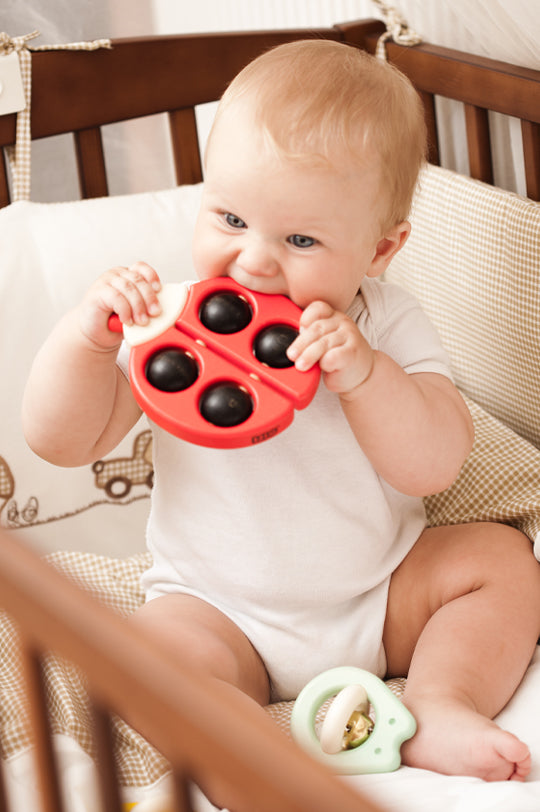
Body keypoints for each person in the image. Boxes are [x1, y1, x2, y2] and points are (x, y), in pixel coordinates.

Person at [22, 39, 540, 791]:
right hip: (215, 613)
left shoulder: (386, 324)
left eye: (301, 240)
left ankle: (440, 702)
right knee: (147, 662)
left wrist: (364, 375)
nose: (256, 262)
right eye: (231, 218)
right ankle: (251, 765)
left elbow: (433, 465)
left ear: (380, 249)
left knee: (501, 561)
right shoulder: (177, 325)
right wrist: (88, 342)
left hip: (379, 593)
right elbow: (59, 441)